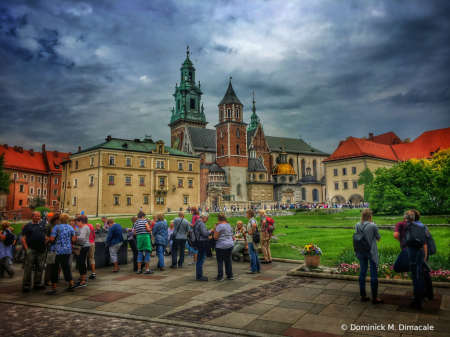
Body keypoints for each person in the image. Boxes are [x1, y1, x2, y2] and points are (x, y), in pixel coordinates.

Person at [393, 210, 428, 309]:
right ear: (413, 219)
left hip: (407, 251)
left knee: (396, 267)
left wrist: (402, 240)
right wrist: (424, 259)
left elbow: (395, 235)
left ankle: (412, 269)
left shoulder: (401, 223)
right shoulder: (420, 226)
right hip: (419, 252)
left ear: (404, 218)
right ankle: (417, 302)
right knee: (417, 277)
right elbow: (424, 245)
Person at [355, 209, 384, 304]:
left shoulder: (357, 225)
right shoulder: (373, 226)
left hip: (361, 250)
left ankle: (363, 294)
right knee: (373, 273)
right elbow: (378, 238)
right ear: (370, 216)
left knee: (362, 272)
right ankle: (375, 297)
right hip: (371, 251)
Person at [46, 213, 76, 294]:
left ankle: (54, 289)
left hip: (57, 251)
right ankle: (71, 285)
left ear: (59, 219)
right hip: (67, 251)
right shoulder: (70, 228)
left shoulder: (57, 227)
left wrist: (47, 239)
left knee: (54, 269)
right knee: (66, 268)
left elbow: (52, 239)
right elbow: (73, 240)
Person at [411, 209, 434, 302]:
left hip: (420, 253)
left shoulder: (415, 227)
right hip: (425, 252)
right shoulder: (423, 226)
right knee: (425, 272)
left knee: (419, 274)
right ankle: (429, 294)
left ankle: (422, 295)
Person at [22, 211, 48, 292]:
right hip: (31, 249)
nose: (37, 218)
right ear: (32, 216)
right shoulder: (27, 226)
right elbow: (23, 239)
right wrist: (27, 249)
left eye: (38, 216)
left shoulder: (43, 225)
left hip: (41, 250)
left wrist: (46, 241)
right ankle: (26, 285)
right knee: (28, 268)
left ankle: (37, 284)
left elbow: (45, 236)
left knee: (40, 267)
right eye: (35, 216)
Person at [212, 213, 234, 281]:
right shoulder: (228, 225)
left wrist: (213, 233)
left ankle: (220, 276)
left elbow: (216, 237)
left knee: (220, 261)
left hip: (221, 245)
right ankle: (229, 275)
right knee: (228, 260)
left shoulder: (220, 226)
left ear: (219, 219)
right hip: (230, 244)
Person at [73, 215, 91, 288]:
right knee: (82, 262)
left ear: (80, 221)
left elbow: (81, 238)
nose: (76, 223)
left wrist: (74, 237)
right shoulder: (86, 227)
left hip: (83, 247)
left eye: (77, 221)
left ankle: (83, 281)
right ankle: (83, 278)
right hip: (85, 246)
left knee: (81, 263)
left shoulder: (84, 228)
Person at [193, 212, 211, 281]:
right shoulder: (201, 223)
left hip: (198, 242)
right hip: (202, 242)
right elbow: (204, 233)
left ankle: (199, 275)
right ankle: (199, 276)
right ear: (203, 217)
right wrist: (210, 231)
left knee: (199, 259)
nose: (207, 220)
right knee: (200, 260)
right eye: (206, 219)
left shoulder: (196, 222)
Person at [44, 212, 61, 286]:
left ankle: (54, 278)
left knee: (56, 264)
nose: (58, 221)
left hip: (58, 246)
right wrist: (48, 239)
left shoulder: (59, 225)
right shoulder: (49, 225)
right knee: (50, 263)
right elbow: (44, 234)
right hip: (50, 245)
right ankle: (47, 280)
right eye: (57, 219)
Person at [245, 210, 261, 274]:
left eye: (246, 214)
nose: (246, 215)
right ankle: (258, 268)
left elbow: (254, 225)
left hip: (251, 239)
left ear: (249, 214)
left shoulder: (252, 220)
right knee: (255, 254)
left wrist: (252, 231)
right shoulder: (252, 219)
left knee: (252, 254)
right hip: (252, 239)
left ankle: (253, 269)